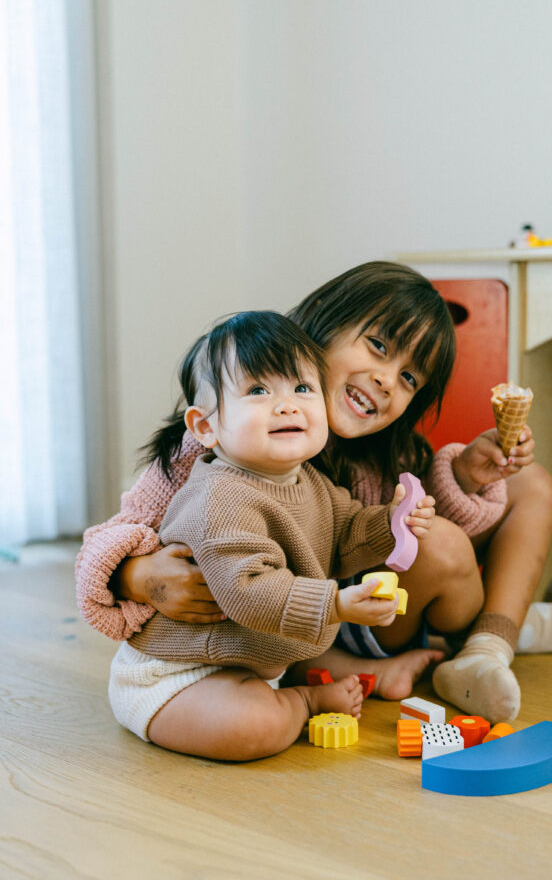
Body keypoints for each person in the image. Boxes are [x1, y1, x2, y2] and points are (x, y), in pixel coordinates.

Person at [77, 261, 552, 724]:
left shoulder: (387, 453)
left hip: (369, 605)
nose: (385, 380)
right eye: (378, 346)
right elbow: (106, 542)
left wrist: (467, 478)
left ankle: (486, 647)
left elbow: (430, 547)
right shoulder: (220, 438)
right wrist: (139, 576)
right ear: (320, 322)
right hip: (283, 624)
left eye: (407, 379)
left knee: (526, 481)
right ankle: (490, 632)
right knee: (440, 543)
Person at [107, 310, 437, 760]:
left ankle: (287, 694)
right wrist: (336, 604)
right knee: (254, 727)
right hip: (176, 677)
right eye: (258, 391)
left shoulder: (310, 483)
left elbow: (344, 535)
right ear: (206, 427)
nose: (287, 405)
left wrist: (389, 523)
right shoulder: (219, 498)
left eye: (302, 388)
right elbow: (249, 589)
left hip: (247, 663)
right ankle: (302, 702)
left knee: (254, 702)